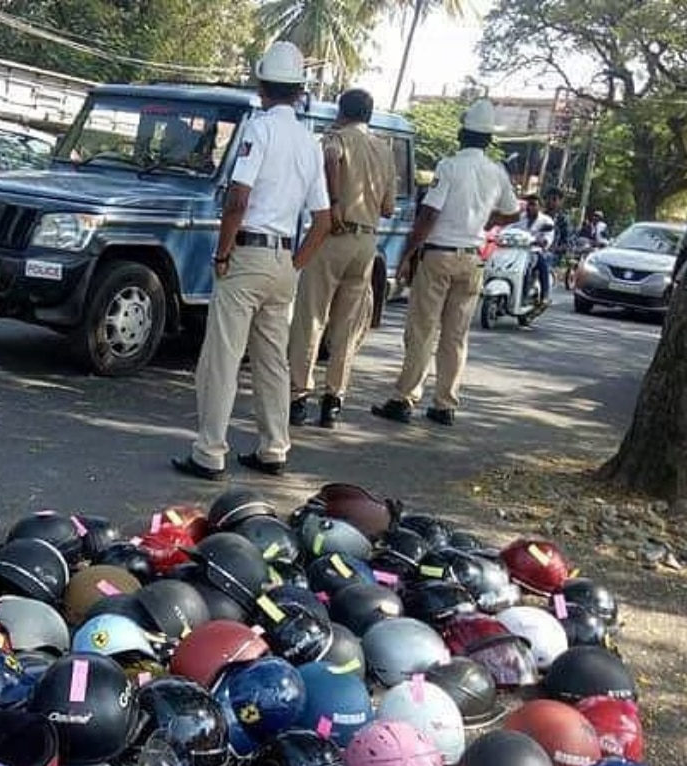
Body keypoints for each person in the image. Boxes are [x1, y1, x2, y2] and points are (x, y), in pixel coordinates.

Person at [171, 41, 331, 480]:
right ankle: (274, 448)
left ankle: (209, 453)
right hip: (284, 262)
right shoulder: (310, 142)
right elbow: (323, 219)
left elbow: (238, 198)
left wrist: (223, 253)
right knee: (272, 361)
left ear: (262, 86)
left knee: (222, 357)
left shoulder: (258, 130)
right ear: (299, 91)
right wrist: (296, 263)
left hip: (248, 254)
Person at [370, 98, 519, 428]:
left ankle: (404, 398)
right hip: (473, 259)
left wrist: (409, 252)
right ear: (488, 140)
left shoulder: (449, 167)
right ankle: (445, 404)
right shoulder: (497, 173)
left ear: (461, 134)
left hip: (438, 254)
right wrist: (485, 221)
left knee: (423, 330)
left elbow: (429, 214)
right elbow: (513, 211)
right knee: (455, 336)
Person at [287, 87, 395, 430]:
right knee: (347, 324)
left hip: (334, 235)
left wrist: (334, 201)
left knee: (311, 317)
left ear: (341, 111)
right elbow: (389, 207)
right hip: (367, 242)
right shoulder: (384, 150)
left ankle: (298, 396)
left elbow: (331, 157)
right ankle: (334, 400)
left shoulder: (335, 138)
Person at [515, 193, 555, 302]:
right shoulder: (520, 217)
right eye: (528, 204)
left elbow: (548, 238)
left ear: (540, 207)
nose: (529, 207)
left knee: (542, 265)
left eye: (533, 205)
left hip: (534, 251)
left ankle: (544, 294)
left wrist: (542, 241)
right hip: (516, 250)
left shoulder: (546, 221)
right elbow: (509, 227)